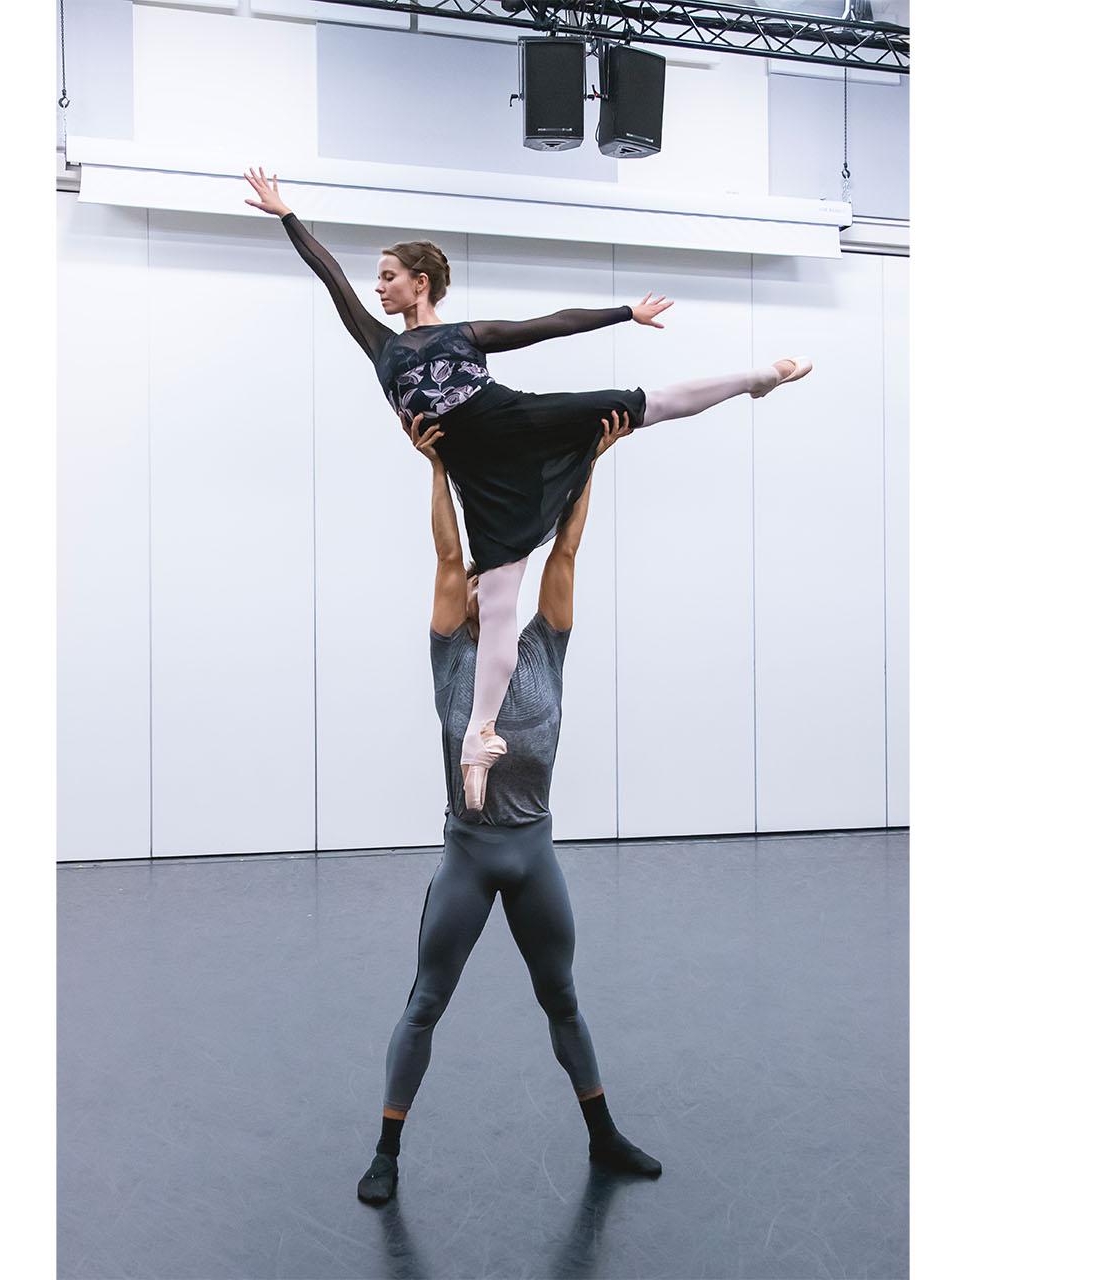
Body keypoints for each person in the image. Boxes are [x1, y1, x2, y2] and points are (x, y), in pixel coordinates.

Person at [243, 167, 812, 813]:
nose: (376, 288)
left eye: (389, 277)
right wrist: (287, 214)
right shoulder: (379, 345)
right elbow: (330, 277)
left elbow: (549, 324)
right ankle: (479, 736)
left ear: (419, 283)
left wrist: (625, 312)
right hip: (480, 476)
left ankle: (756, 378)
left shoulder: (463, 335)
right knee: (502, 599)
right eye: (377, 278)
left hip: (513, 419)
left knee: (629, 403)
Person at [356, 406, 663, 1207]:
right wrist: (436, 470)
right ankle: (387, 1151)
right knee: (426, 1003)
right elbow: (448, 551)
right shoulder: (451, 654)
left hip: (533, 853)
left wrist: (591, 462)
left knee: (561, 997)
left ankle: (603, 1137)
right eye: (470, 584)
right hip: (469, 853)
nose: (475, 584)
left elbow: (566, 547)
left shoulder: (546, 648)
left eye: (489, 580)